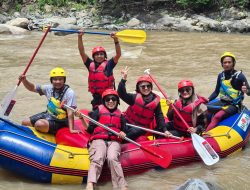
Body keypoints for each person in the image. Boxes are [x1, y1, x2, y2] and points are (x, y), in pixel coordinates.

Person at [75, 89, 128, 190]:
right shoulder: (97, 112)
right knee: (98, 157)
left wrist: (123, 133)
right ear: (104, 101)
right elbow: (90, 129)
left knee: (112, 158)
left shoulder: (121, 116)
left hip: (114, 141)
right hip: (99, 140)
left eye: (113, 99)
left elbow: (125, 131)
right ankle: (90, 184)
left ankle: (122, 186)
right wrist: (81, 118)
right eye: (108, 99)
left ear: (117, 101)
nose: (111, 101)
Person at [19, 67, 79, 134]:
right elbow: (32, 88)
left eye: (60, 79)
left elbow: (70, 113)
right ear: (51, 80)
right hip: (49, 114)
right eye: (55, 79)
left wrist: (71, 129)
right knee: (24, 122)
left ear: (64, 80)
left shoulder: (69, 93)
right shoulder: (48, 88)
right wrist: (24, 80)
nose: (58, 82)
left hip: (61, 121)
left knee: (39, 124)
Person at [118, 66, 167, 141]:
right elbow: (121, 94)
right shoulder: (134, 97)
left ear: (151, 87)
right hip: (127, 123)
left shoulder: (156, 101)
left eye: (148, 86)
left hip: (141, 128)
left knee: (136, 131)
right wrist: (123, 79)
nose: (146, 88)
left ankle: (121, 140)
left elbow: (159, 116)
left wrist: (164, 130)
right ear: (139, 88)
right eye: (143, 87)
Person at [206, 52, 250, 131]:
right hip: (222, 102)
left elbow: (249, 92)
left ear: (233, 63)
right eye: (225, 62)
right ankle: (201, 129)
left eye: (229, 62)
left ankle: (204, 135)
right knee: (204, 111)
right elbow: (216, 92)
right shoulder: (221, 76)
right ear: (222, 64)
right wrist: (207, 100)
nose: (227, 64)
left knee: (217, 116)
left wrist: (246, 90)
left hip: (234, 105)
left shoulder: (239, 76)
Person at [78, 30, 121, 110]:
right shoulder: (90, 64)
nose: (99, 56)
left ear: (105, 56)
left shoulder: (109, 65)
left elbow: (118, 54)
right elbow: (82, 52)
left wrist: (115, 40)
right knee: (96, 115)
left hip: (108, 97)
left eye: (101, 54)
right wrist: (80, 37)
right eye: (97, 54)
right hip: (96, 98)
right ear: (94, 57)